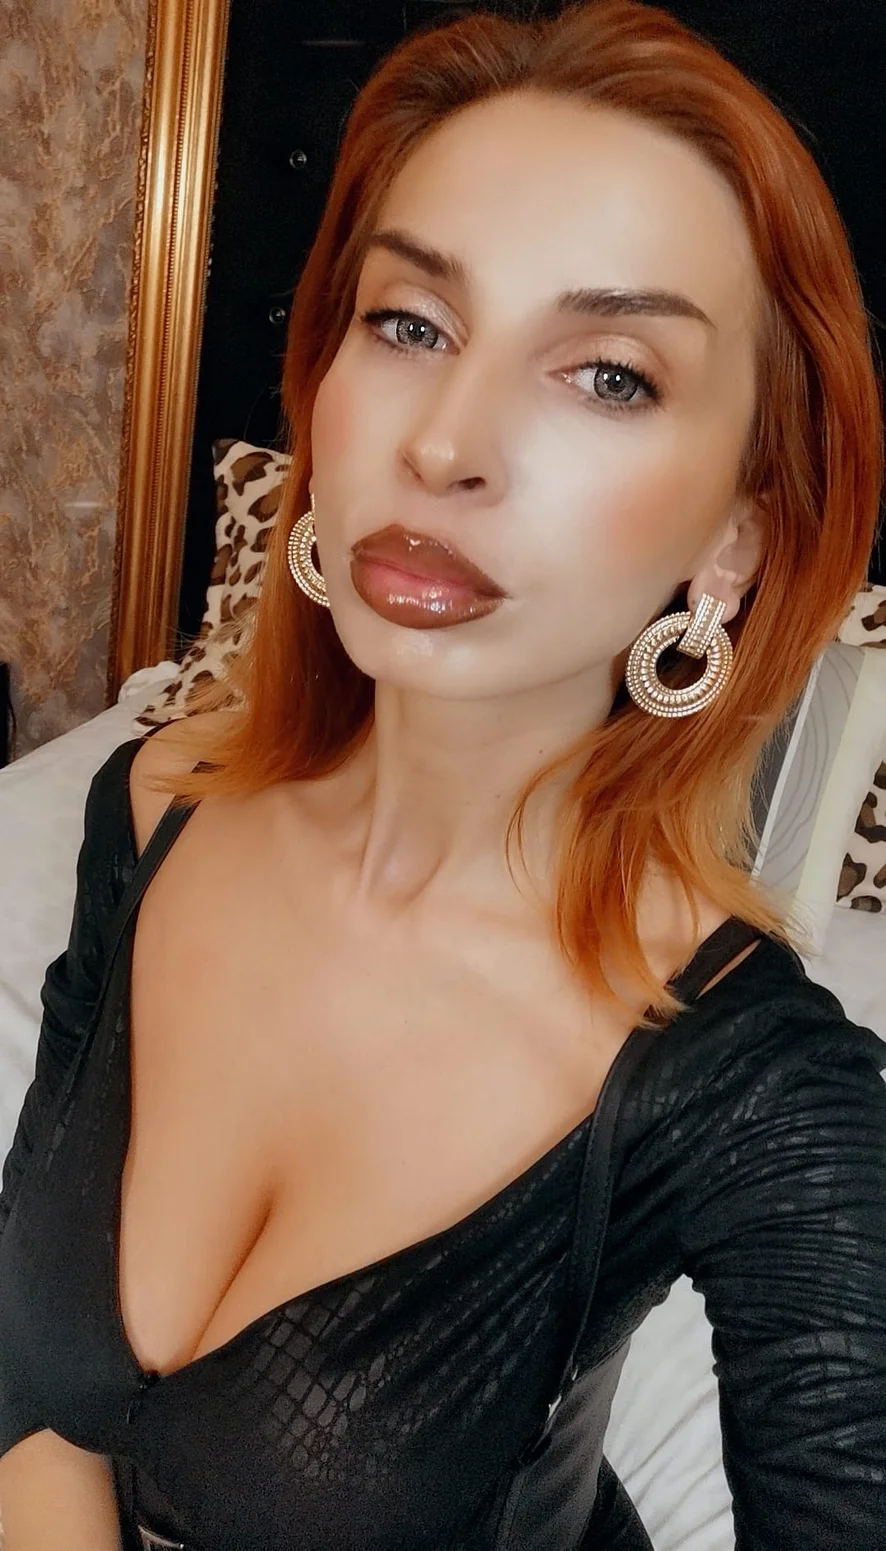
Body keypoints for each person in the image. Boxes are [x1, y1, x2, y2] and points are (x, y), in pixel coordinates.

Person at [1, 0, 885, 1546]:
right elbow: (38, 1399)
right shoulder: (147, 808)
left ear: (732, 542)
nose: (445, 444)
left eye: (607, 374)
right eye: (409, 324)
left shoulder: (749, 1083)